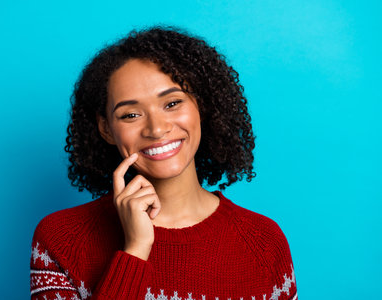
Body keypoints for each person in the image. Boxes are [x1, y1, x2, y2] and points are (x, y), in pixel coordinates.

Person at [30, 26, 298, 300]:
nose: (156, 129)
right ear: (106, 129)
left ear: (202, 106)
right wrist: (135, 250)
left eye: (172, 104)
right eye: (131, 114)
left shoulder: (263, 242)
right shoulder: (61, 240)